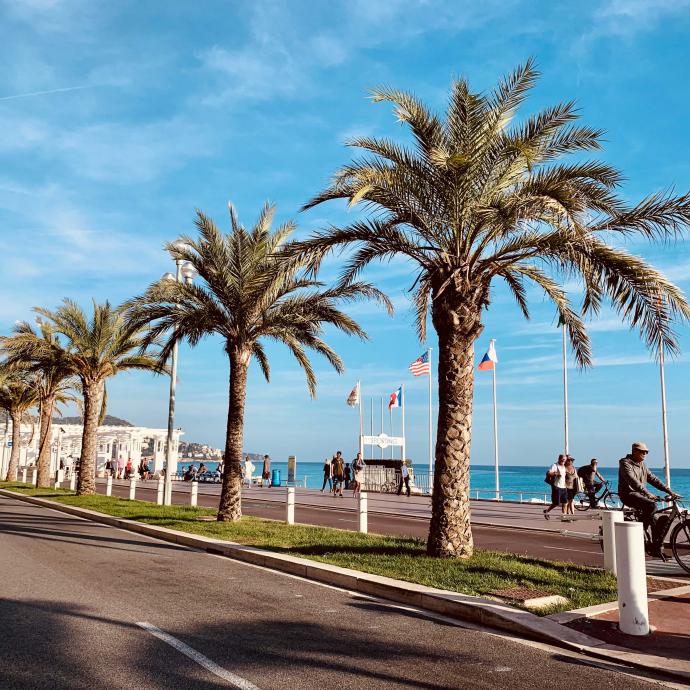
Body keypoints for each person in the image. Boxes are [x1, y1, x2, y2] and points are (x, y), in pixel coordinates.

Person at [618, 441, 680, 556]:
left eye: (646, 452)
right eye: (642, 452)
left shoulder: (643, 465)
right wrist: (647, 493)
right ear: (634, 451)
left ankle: (656, 547)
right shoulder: (625, 463)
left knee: (659, 519)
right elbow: (632, 481)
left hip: (640, 495)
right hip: (628, 494)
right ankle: (640, 529)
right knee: (652, 505)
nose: (645, 454)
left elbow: (654, 479)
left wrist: (669, 491)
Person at [543, 454, 567, 519]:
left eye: (564, 460)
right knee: (556, 503)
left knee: (565, 503)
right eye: (562, 459)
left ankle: (563, 517)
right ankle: (546, 511)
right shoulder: (554, 465)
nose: (563, 461)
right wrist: (556, 473)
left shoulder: (564, 467)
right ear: (559, 459)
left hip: (564, 487)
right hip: (557, 486)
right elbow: (548, 473)